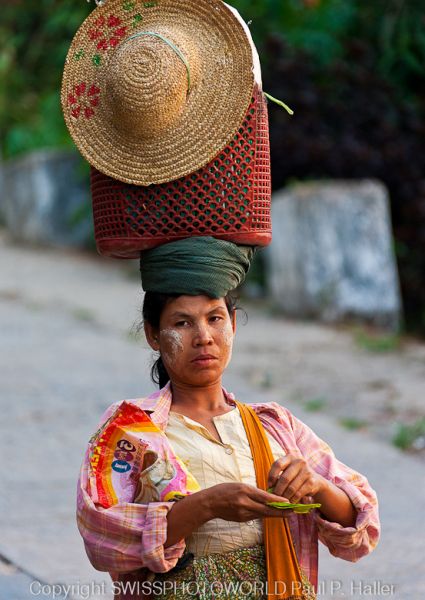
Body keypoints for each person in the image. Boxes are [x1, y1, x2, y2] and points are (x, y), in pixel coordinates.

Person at [77, 239, 380, 600]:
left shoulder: (274, 426)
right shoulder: (131, 429)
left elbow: (360, 527)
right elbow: (102, 536)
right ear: (153, 334)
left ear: (233, 324)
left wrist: (317, 486)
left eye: (215, 318)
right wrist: (207, 505)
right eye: (182, 322)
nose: (203, 337)